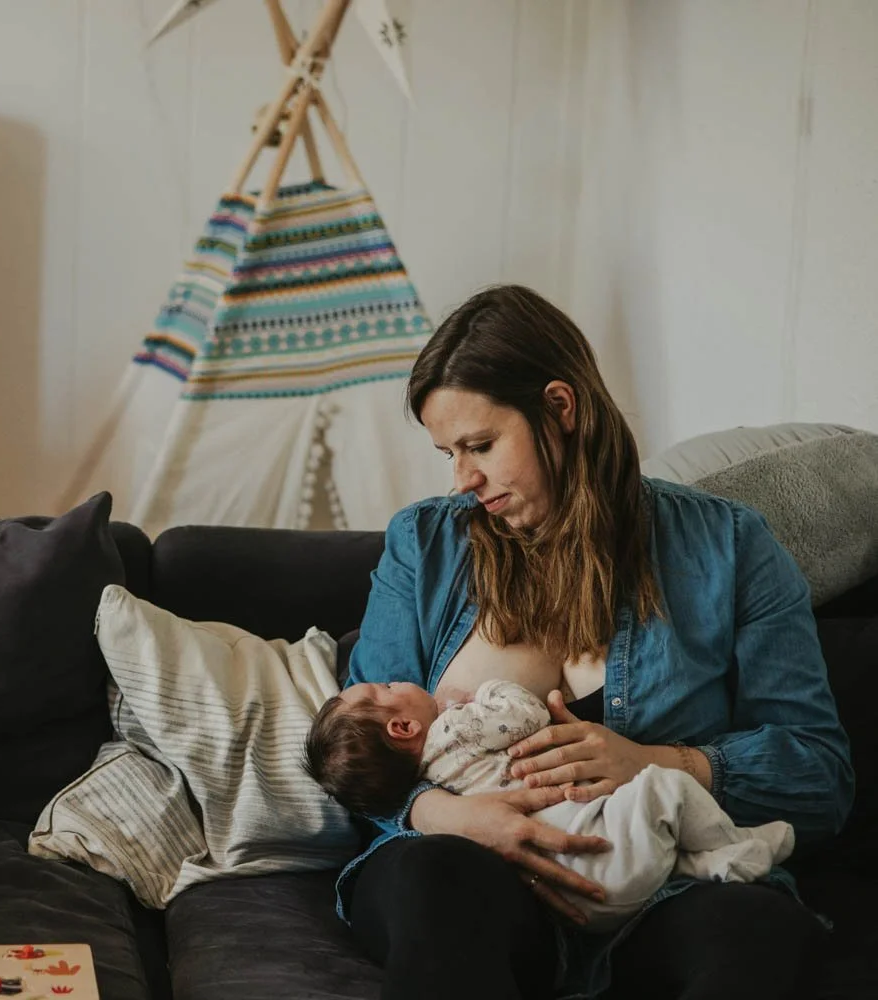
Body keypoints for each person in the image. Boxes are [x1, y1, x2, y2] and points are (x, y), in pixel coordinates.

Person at [334, 284, 852, 999]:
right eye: (449, 453)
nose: (464, 479)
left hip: (663, 891)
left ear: (560, 407)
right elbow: (351, 760)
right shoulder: (423, 546)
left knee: (755, 931)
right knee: (427, 877)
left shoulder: (731, 548)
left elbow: (821, 778)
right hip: (473, 880)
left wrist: (663, 762)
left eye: (481, 445)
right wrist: (442, 814)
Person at [305, 676, 796, 932]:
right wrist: (481, 694)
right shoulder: (455, 725)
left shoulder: (433, 774)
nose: (396, 681)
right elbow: (524, 713)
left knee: (656, 839)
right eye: (388, 689)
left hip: (579, 902)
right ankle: (737, 849)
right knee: (663, 790)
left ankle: (701, 864)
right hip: (594, 852)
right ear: (404, 728)